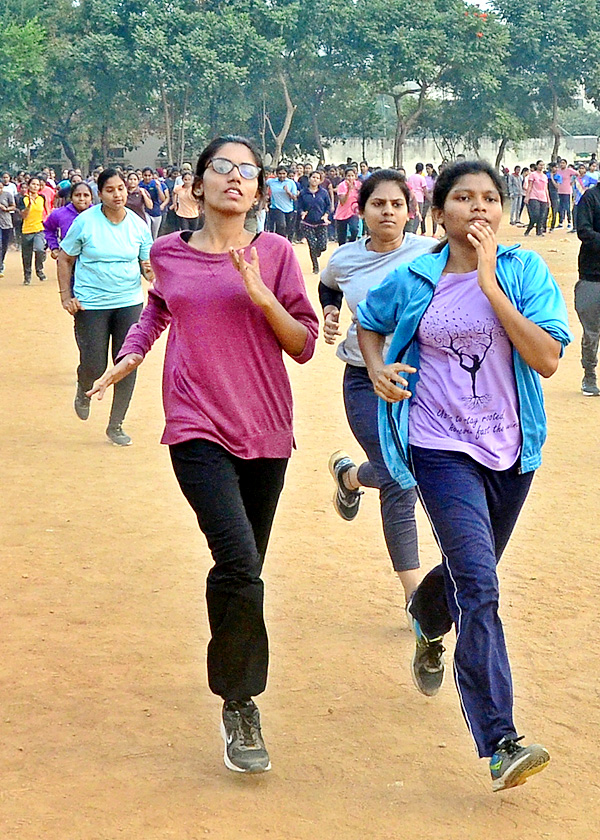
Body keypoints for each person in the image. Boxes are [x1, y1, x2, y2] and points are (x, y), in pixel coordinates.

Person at [87, 136, 318, 774]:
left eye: (248, 171)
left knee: (242, 570)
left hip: (266, 428)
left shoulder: (274, 254)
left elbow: (303, 345)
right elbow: (158, 310)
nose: (235, 179)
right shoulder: (167, 252)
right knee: (240, 560)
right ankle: (242, 705)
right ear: (197, 185)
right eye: (222, 168)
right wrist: (132, 352)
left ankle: (231, 680)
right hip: (194, 426)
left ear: (261, 191)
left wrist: (261, 293)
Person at [356, 160, 571, 792]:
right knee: (480, 584)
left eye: (489, 198)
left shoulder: (523, 272)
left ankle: (427, 617)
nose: (478, 208)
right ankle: (500, 738)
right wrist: (376, 369)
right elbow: (370, 321)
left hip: (510, 450)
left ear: (502, 210)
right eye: (463, 198)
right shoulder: (415, 276)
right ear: (441, 212)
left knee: (463, 575)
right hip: (438, 448)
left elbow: (548, 359)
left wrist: (489, 284)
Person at [319, 169, 436, 602]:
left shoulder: (431, 252)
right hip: (364, 379)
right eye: (378, 204)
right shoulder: (345, 258)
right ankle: (415, 596)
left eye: (396, 204)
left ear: (410, 210)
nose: (388, 211)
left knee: (412, 469)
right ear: (361, 209)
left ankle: (350, 478)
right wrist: (330, 313)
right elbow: (327, 287)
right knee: (398, 478)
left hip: (422, 382)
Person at [57, 169, 154, 445]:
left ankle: (116, 425)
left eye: (121, 189)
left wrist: (153, 274)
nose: (117, 194)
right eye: (110, 190)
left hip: (129, 302)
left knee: (127, 362)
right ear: (100, 194)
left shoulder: (138, 225)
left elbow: (146, 265)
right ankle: (83, 385)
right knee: (95, 363)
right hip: (91, 304)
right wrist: (66, 296)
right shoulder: (85, 222)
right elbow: (65, 260)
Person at [574, 179, 600, 395]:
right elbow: (584, 231)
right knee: (592, 332)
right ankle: (589, 376)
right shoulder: (590, 198)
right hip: (592, 277)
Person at [43, 181, 93, 260]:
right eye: (77, 195)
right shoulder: (59, 213)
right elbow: (48, 228)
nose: (81, 199)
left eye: (86, 195)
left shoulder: (98, 213)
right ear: (71, 197)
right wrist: (54, 247)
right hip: (67, 260)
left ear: (91, 197)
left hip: (92, 260)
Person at [297, 170, 330, 273]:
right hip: (307, 222)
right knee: (312, 244)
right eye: (313, 177)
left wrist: (326, 215)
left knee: (322, 245)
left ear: (320, 181)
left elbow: (328, 206)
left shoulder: (323, 193)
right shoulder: (303, 193)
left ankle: (317, 252)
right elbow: (299, 206)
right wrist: (302, 212)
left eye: (317, 178)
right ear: (309, 179)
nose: (315, 179)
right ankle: (315, 267)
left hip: (321, 222)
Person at [20, 176, 47, 284]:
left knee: (40, 249)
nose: (35, 186)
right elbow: (23, 216)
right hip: (26, 230)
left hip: (39, 228)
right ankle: (27, 276)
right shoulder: (23, 198)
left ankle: (39, 269)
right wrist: (29, 205)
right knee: (27, 256)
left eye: (37, 184)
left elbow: (47, 211)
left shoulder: (42, 198)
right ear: (28, 185)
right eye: (33, 184)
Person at [266, 166, 297, 240]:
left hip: (288, 208)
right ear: (276, 174)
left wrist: (288, 192)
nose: (282, 175)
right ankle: (281, 242)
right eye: (280, 173)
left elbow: (295, 198)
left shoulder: (291, 183)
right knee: (281, 225)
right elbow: (262, 185)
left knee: (288, 228)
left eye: (284, 173)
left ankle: (287, 242)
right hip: (276, 207)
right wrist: (265, 195)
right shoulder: (271, 181)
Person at [334, 166, 361, 245]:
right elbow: (342, 201)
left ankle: (351, 244)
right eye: (348, 176)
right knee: (341, 236)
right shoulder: (342, 186)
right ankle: (342, 249)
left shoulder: (358, 185)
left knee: (354, 229)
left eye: (352, 176)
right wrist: (349, 190)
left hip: (353, 211)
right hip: (342, 213)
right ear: (345, 176)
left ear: (355, 176)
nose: (350, 178)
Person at [140, 167, 169, 239]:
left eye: (149, 175)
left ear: (152, 176)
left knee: (154, 234)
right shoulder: (139, 185)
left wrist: (158, 188)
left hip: (156, 211)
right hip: (145, 211)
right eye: (145, 175)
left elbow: (163, 199)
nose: (147, 177)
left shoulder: (156, 184)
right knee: (147, 231)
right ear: (142, 175)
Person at [524, 159, 549, 236]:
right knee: (535, 214)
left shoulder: (545, 176)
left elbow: (546, 188)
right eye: (540, 165)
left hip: (543, 197)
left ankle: (539, 231)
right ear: (537, 166)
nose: (541, 166)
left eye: (543, 165)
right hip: (534, 196)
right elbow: (530, 186)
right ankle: (529, 228)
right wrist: (527, 197)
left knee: (542, 215)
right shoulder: (533, 175)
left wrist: (548, 199)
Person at [0, 180, 15, 276]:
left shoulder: (7, 195)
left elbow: (13, 206)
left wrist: (6, 208)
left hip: (6, 223)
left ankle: (1, 261)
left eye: (0, 187)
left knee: (4, 245)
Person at [556, 159, 575, 228]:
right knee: (560, 207)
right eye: (561, 163)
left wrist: (573, 181)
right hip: (559, 191)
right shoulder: (558, 171)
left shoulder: (569, 170)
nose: (562, 164)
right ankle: (561, 222)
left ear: (566, 164)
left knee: (567, 207)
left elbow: (577, 174)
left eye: (563, 163)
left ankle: (569, 222)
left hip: (567, 191)